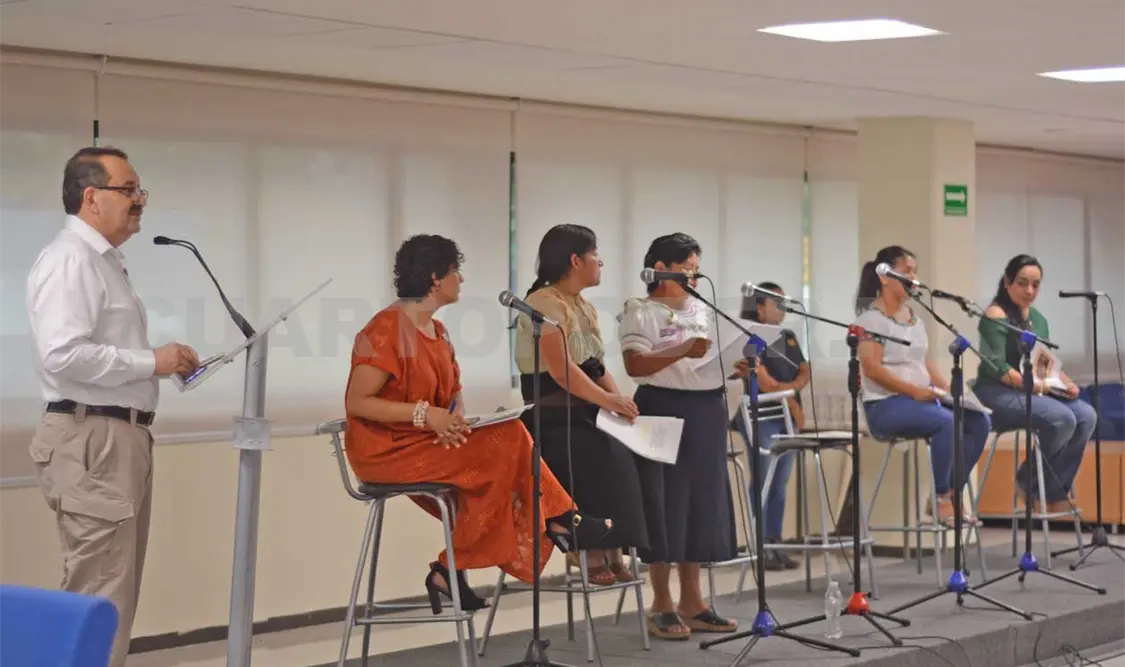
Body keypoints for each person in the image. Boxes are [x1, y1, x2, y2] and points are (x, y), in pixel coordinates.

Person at [345, 234, 611, 612]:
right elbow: (358, 402)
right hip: (387, 451)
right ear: (435, 277)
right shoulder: (385, 329)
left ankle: (459, 566)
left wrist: (457, 418)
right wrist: (426, 414)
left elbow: (451, 397)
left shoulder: (438, 332)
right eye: (456, 271)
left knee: (505, 441)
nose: (462, 279)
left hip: (426, 442)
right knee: (506, 446)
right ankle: (560, 519)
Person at [26, 146, 201, 667]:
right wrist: (151, 361)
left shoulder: (103, 261)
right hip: (94, 439)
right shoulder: (70, 259)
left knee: (113, 594)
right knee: (98, 595)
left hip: (117, 438)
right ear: (91, 197)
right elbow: (62, 354)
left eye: (140, 191)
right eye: (128, 191)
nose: (140, 201)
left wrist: (161, 364)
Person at [514, 223, 652, 587]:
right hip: (553, 417)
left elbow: (596, 365)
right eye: (595, 255)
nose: (601, 262)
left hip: (586, 409)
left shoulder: (584, 306)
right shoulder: (543, 304)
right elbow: (562, 371)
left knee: (626, 451)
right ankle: (588, 549)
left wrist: (621, 403)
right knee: (593, 451)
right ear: (576, 260)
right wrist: (607, 400)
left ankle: (615, 547)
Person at [618, 233, 740, 641]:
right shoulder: (640, 310)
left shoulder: (703, 309)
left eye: (696, 268)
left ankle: (694, 601)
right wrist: (682, 350)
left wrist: (735, 367)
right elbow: (635, 365)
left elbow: (709, 358)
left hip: (706, 410)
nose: (694, 276)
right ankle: (662, 603)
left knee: (701, 504)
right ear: (661, 268)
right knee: (665, 502)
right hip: (661, 406)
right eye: (686, 268)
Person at [854, 245, 991, 527]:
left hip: (920, 401)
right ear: (885, 277)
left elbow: (924, 365)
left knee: (979, 420)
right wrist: (914, 391)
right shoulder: (870, 320)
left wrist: (953, 393)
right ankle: (941, 498)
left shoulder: (915, 320)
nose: (913, 278)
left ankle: (952, 492)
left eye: (915, 272)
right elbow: (872, 369)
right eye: (907, 272)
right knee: (947, 422)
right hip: (885, 405)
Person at [973, 254, 1094, 514]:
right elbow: (998, 367)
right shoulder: (995, 315)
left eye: (1036, 285)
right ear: (1007, 281)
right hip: (995, 392)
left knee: (1086, 416)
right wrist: (1037, 387)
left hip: (1031, 390)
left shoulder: (1038, 319)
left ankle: (1053, 490)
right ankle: (1028, 482)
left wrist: (1067, 384)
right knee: (1062, 418)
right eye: (1022, 283)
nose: (1030, 291)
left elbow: (1043, 363)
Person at [732, 281, 809, 571]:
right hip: (762, 416)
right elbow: (764, 382)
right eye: (777, 303)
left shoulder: (787, 336)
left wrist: (792, 388)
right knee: (763, 479)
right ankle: (759, 546)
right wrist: (791, 398)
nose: (783, 308)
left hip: (788, 416)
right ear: (759, 308)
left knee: (780, 483)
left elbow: (805, 370)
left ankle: (776, 544)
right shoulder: (749, 337)